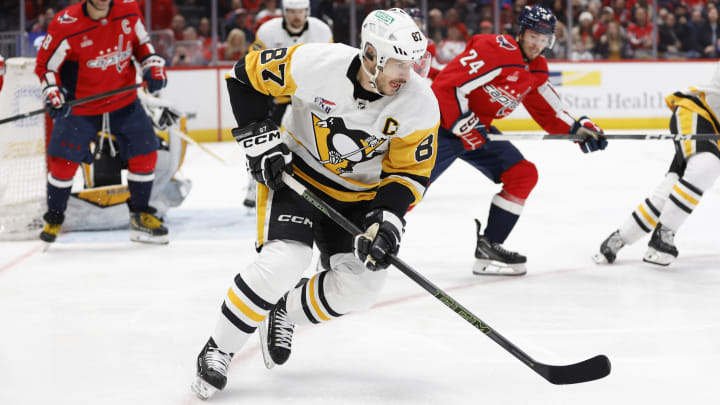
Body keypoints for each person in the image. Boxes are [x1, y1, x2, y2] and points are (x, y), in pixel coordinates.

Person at [191, 8, 439, 399]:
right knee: (284, 262)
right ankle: (218, 348)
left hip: (359, 198)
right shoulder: (316, 62)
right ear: (371, 55)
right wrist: (261, 140)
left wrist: (388, 219)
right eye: (397, 63)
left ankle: (283, 310)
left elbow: (410, 173)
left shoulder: (419, 102)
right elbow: (243, 77)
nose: (405, 74)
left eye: (410, 64)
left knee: (362, 287)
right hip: (297, 176)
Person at [428, 5, 607, 276]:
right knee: (409, 188)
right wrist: (461, 123)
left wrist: (578, 129)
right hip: (440, 125)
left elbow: (550, 113)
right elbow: (447, 85)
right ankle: (358, 234)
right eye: (533, 36)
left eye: (544, 38)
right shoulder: (495, 49)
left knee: (522, 174)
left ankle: (490, 247)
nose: (537, 44)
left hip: (477, 132)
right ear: (521, 32)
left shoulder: (535, 70)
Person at [34, 0, 169, 245]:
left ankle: (140, 215)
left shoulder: (128, 9)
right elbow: (46, 65)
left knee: (146, 153)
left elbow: (142, 44)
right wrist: (53, 90)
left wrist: (152, 66)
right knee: (63, 164)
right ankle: (54, 217)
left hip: (124, 99)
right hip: (81, 106)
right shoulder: (66, 24)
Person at [593, 62, 720, 266]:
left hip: (713, 130)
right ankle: (663, 234)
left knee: (672, 190)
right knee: (707, 165)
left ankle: (618, 239)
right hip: (697, 113)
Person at [242, 0, 333, 208]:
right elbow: (252, 62)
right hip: (277, 96)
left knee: (317, 141)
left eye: (300, 12)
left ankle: (320, 184)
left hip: (310, 96)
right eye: (291, 11)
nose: (296, 16)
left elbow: (331, 64)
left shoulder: (321, 31)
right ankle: (253, 183)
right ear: (284, 12)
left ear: (307, 12)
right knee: (263, 138)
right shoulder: (267, 32)